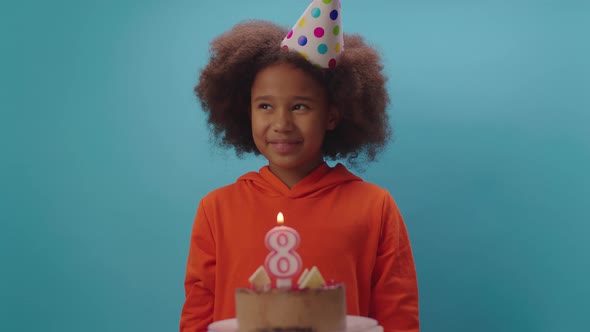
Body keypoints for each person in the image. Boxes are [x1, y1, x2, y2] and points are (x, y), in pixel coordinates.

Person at [181, 1, 419, 331]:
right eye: (265, 105)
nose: (281, 123)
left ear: (333, 115)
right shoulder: (216, 210)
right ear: (245, 111)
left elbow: (399, 317)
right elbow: (196, 314)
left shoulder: (375, 207)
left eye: (300, 106)